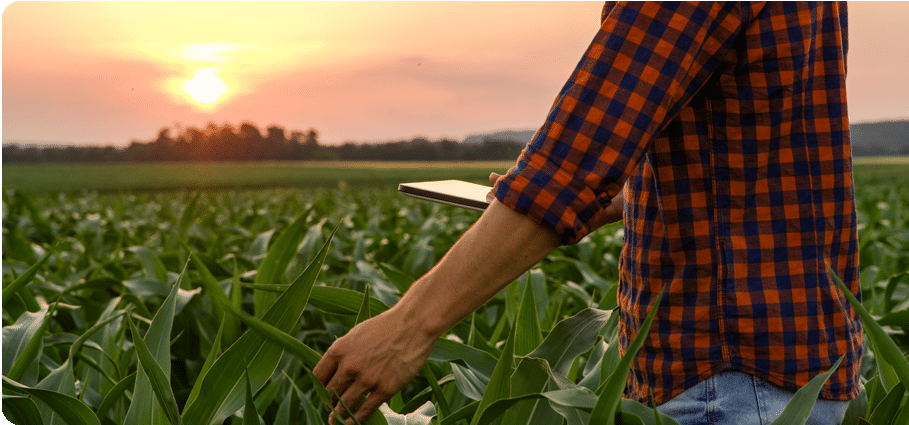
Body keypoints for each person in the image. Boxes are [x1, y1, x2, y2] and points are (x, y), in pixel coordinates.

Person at [313, 2, 863, 424]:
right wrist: (631, 197)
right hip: (797, 367)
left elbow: (568, 167)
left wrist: (407, 328)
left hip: (728, 380)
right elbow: (766, 145)